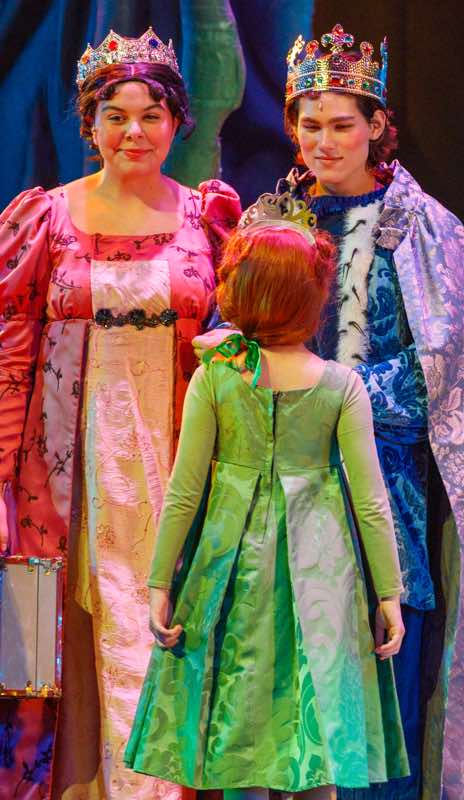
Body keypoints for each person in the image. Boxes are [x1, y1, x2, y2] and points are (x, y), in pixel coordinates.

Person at [0, 28, 240, 800]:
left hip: (172, 462)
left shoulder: (207, 218)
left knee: (160, 623)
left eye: (151, 115)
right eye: (115, 115)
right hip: (57, 472)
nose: (134, 131)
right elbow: (10, 351)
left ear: (177, 123)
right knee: (42, 644)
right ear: (89, 124)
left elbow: (235, 338)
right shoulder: (45, 218)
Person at [124, 194, 410, 796]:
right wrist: (389, 592)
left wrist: (160, 582)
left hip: (233, 571)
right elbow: (370, 502)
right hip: (323, 574)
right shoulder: (340, 385)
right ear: (314, 298)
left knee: (239, 735)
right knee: (318, 730)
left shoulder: (217, 376)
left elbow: (184, 492)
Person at [276, 24, 464, 800]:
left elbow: (442, 367)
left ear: (376, 126)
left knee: (379, 700)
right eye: (310, 125)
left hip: (381, 489)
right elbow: (240, 329)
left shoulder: (424, 229)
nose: (324, 142)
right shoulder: (274, 221)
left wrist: (332, 395)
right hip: (282, 486)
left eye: (342, 125)